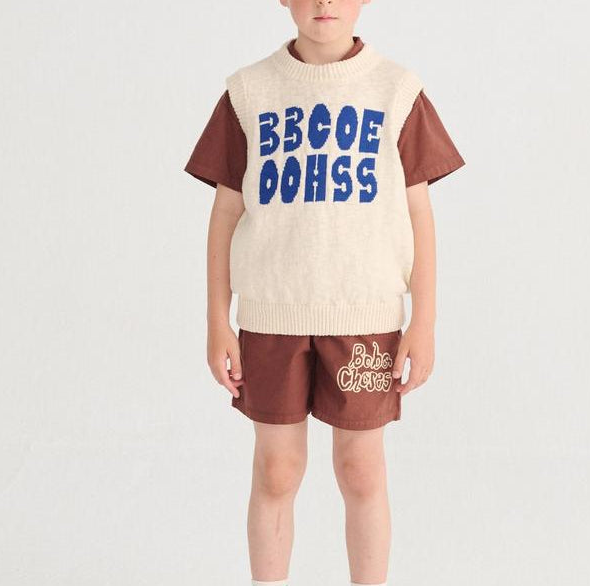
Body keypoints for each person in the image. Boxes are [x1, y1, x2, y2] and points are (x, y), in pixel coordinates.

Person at [183, 2, 465, 585]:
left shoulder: (397, 91)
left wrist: (424, 321)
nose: (324, 3)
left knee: (361, 470)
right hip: (272, 316)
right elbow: (225, 213)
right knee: (277, 470)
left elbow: (419, 214)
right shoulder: (248, 93)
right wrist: (217, 319)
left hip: (365, 317)